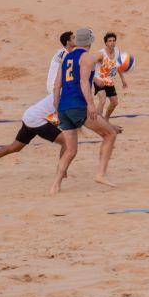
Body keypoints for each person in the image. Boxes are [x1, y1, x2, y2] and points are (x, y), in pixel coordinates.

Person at [51, 27, 120, 194]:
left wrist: (56, 107)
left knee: (70, 150)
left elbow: (57, 85)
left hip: (64, 107)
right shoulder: (86, 57)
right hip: (78, 105)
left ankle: (55, 185)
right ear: (90, 41)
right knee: (110, 134)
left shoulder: (66, 57)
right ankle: (101, 174)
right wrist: (90, 104)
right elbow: (83, 82)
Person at [0, 94, 67, 179]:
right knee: (66, 142)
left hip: (30, 115)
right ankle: (62, 173)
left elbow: (54, 116)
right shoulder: (70, 95)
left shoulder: (64, 90)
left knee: (15, 147)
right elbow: (57, 117)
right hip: (36, 119)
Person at [92, 31, 128, 120]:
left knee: (114, 102)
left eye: (113, 40)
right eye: (110, 41)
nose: (112, 42)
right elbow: (90, 65)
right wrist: (94, 78)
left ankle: (106, 119)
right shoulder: (101, 54)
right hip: (99, 80)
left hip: (109, 80)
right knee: (103, 100)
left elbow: (118, 66)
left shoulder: (117, 51)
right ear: (106, 43)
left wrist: (123, 80)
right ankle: (97, 122)